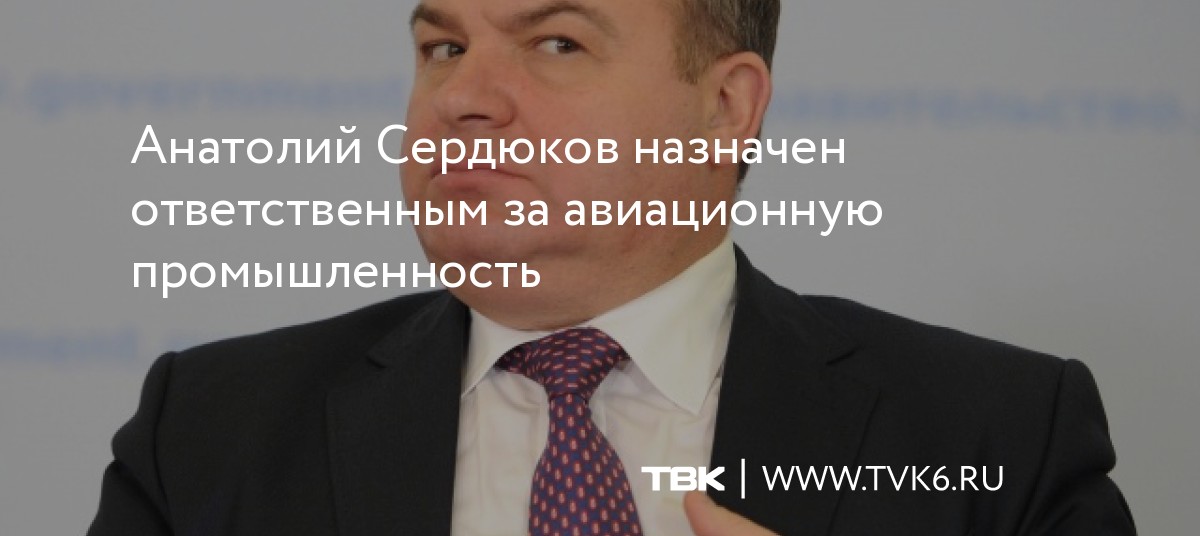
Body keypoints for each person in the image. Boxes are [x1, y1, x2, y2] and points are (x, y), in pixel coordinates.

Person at [87, 0, 1136, 534]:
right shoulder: (210, 431)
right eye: (443, 47)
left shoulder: (997, 438)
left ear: (725, 107)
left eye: (556, 43)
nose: (464, 99)